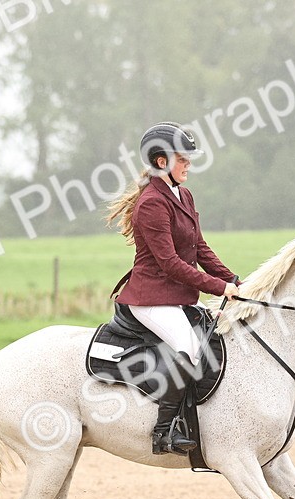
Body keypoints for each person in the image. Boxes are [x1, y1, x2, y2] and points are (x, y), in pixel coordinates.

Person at [106, 122, 241, 455]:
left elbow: (199, 247)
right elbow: (170, 264)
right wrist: (219, 287)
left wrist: (234, 280)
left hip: (174, 298)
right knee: (188, 346)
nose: (189, 165)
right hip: (151, 298)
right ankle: (163, 432)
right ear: (161, 161)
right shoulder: (152, 203)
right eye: (183, 158)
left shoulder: (183, 194)